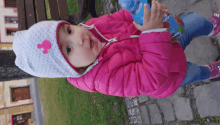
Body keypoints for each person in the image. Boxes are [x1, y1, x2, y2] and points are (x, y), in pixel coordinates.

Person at [12, 0, 220, 98]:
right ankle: (212, 71)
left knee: (193, 21)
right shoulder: (103, 79)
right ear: (70, 70)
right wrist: (152, 32)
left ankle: (212, 26)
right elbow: (150, 76)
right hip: (169, 73)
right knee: (193, 73)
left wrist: (143, 13)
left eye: (68, 29)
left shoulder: (91, 27)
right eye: (68, 49)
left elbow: (121, 17)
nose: (79, 38)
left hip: (167, 36)